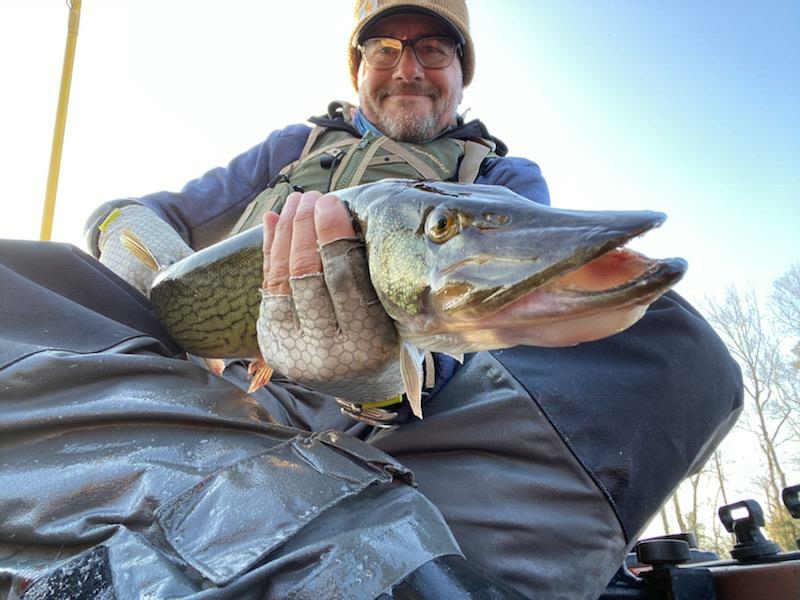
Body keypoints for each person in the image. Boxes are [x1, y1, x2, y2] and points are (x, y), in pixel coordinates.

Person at [0, 1, 743, 598]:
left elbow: (481, 339)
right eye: (384, 48)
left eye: (432, 50)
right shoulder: (294, 148)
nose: (407, 69)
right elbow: (154, 212)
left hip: (401, 432)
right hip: (204, 394)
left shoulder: (506, 179)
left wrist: (377, 379)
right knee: (21, 275)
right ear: (359, 68)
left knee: (675, 349)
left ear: (460, 72)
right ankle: (374, 552)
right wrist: (129, 231)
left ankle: (350, 538)